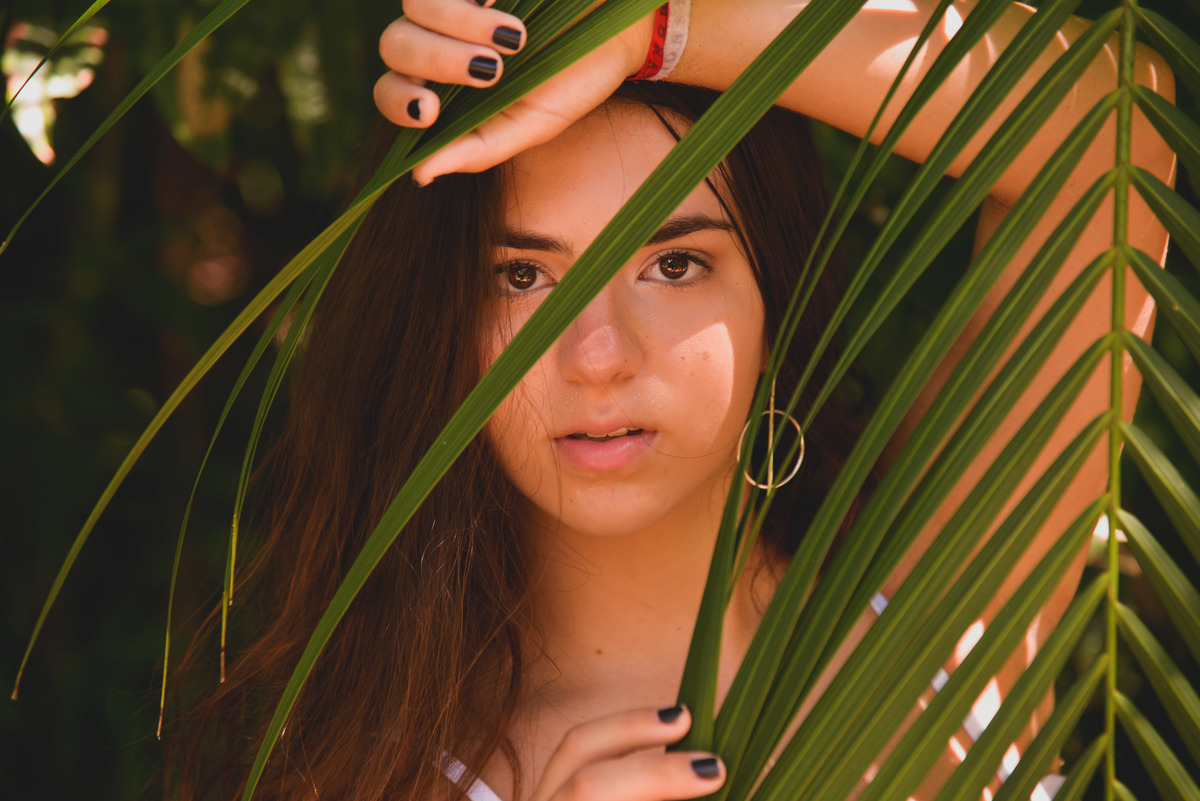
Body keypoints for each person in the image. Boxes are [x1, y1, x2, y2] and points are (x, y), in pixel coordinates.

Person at [174, 1, 1175, 799]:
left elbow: (1112, 123)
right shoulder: (363, 773)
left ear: (777, 291)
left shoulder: (947, 619)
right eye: (522, 278)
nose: (598, 356)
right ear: (445, 333)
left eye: (675, 263)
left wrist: (656, 28)